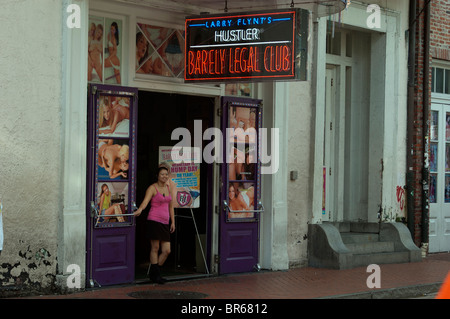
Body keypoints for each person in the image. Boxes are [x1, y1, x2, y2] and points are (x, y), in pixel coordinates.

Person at [134, 166, 175, 284]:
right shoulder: (152, 188)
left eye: (166, 174)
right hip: (154, 220)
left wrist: (173, 222)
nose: (164, 176)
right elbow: (145, 202)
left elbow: (171, 206)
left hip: (165, 222)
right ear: (157, 176)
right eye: (162, 174)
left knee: (167, 250)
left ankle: (153, 272)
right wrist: (140, 210)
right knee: (155, 248)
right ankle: (156, 275)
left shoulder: (169, 187)